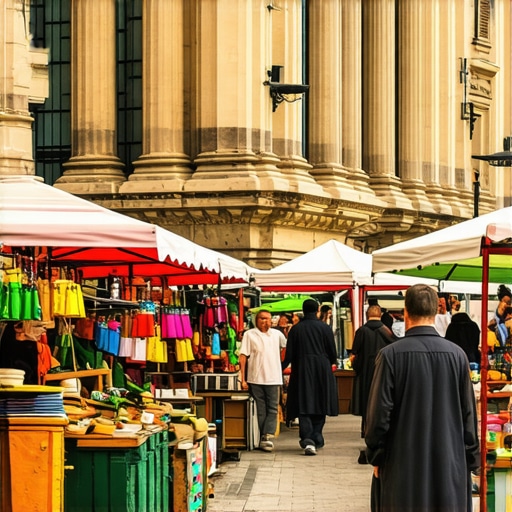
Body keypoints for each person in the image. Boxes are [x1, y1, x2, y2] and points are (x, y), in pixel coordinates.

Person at [365, 284, 480, 512]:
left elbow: (379, 415)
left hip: (401, 464)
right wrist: (471, 458)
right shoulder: (457, 356)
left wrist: (376, 455)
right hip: (449, 462)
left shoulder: (390, 356)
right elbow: (469, 414)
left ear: (406, 312)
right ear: (436, 312)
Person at [281, 299, 338, 456]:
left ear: (303, 311)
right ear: (318, 310)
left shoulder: (296, 329)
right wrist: (330, 362)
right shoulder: (325, 328)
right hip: (322, 367)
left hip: (302, 368)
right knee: (321, 400)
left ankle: (308, 438)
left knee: (303, 402)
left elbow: (289, 354)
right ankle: (317, 435)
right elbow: (333, 352)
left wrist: (281, 367)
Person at [350, 304, 397, 464]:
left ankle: (366, 430)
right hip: (383, 372)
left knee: (366, 403)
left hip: (365, 373)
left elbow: (354, 354)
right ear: (380, 314)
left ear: (367, 314)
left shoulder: (361, 331)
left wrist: (357, 368)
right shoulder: (387, 331)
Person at [239, 309, 287, 452]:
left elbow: (286, 348)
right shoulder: (249, 334)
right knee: (260, 409)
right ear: (256, 320)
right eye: (262, 318)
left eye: (267, 319)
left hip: (274, 377)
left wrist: (282, 364)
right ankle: (260, 436)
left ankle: (267, 435)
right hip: (255, 377)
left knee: (272, 408)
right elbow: (243, 356)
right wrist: (243, 378)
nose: (264, 321)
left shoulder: (277, 335)